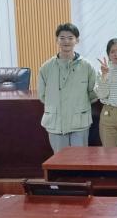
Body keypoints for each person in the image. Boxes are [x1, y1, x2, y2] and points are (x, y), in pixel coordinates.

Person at [38, 22, 97, 153]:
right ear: (57, 40)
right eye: (62, 38)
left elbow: (93, 94)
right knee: (60, 160)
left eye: (70, 38)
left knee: (80, 159)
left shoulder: (87, 66)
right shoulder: (46, 67)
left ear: (77, 40)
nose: (66, 41)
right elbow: (42, 95)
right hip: (56, 122)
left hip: (79, 121)